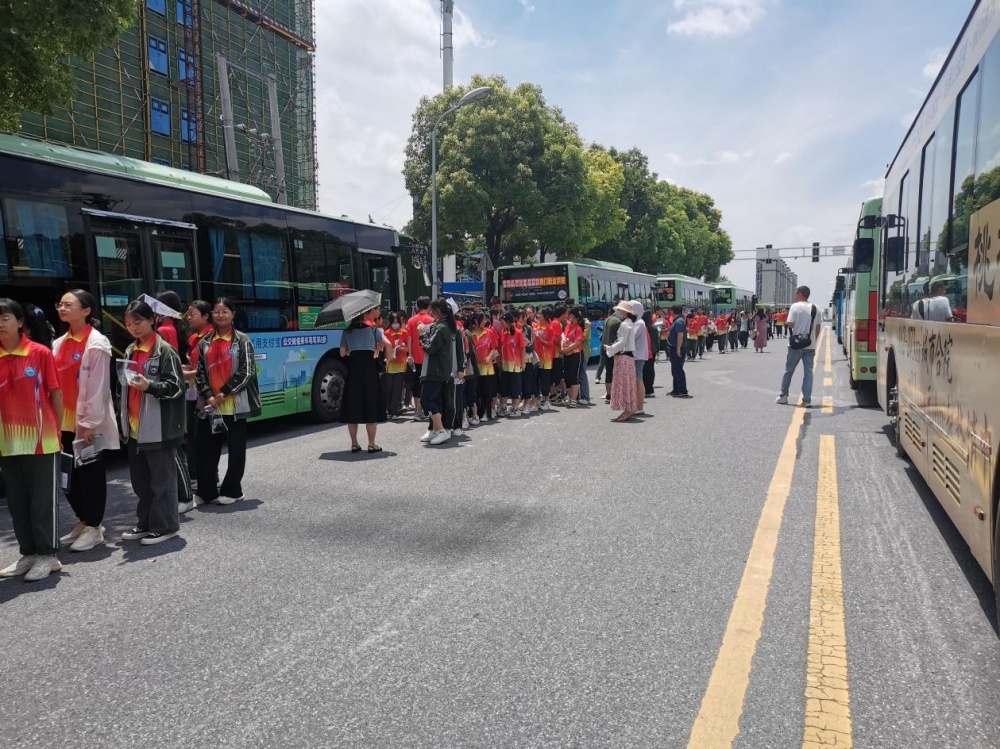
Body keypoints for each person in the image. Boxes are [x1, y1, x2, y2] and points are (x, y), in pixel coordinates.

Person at [0, 299, 64, 581]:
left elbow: (56, 393)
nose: (0, 324)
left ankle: (48, 555)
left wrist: (57, 431)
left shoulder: (39, 353)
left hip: (42, 440)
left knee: (42, 502)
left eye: (5, 318)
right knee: (17, 502)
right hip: (6, 442)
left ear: (20, 322)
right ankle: (28, 553)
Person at [53, 290, 118, 552]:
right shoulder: (59, 343)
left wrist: (89, 423)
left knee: (90, 474)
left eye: (68, 304)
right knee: (67, 474)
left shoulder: (97, 343)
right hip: (61, 421)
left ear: (86, 311)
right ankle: (83, 520)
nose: (62, 308)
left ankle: (94, 527)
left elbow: (99, 387)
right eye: (60, 304)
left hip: (86, 423)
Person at [119, 299, 185, 545]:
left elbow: (176, 387)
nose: (133, 327)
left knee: (162, 481)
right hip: (135, 426)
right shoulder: (130, 350)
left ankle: (166, 526)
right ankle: (145, 523)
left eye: (138, 322)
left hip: (159, 427)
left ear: (151, 320)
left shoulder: (165, 351)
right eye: (128, 324)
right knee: (141, 482)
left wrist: (150, 386)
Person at [194, 297, 260, 504]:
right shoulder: (205, 342)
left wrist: (223, 392)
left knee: (236, 451)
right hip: (211, 406)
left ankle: (232, 491)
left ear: (233, 315)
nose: (220, 315)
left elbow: (247, 371)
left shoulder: (242, 340)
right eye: (216, 311)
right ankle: (206, 491)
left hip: (235, 406)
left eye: (225, 311)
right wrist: (208, 395)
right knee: (207, 450)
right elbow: (200, 373)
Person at [180, 300, 214, 512]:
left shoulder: (211, 338)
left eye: (192, 314)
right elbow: (196, 366)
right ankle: (200, 480)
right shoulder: (195, 338)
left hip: (204, 394)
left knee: (202, 440)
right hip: (192, 391)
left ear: (205, 316)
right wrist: (185, 368)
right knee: (193, 438)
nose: (188, 317)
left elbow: (209, 369)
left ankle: (206, 482)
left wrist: (186, 373)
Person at [339, 306, 388, 452]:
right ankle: (372, 444)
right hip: (369, 370)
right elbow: (388, 344)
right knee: (371, 405)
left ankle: (354, 443)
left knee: (352, 406)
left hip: (354, 370)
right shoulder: (373, 330)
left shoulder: (347, 331)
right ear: (365, 314)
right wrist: (387, 360)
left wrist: (352, 348)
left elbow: (342, 353)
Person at [419, 299, 461, 445]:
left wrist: (421, 335)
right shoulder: (442, 326)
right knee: (434, 400)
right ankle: (435, 429)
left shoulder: (442, 328)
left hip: (435, 370)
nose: (430, 312)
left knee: (427, 400)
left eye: (432, 310)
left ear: (438, 310)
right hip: (437, 369)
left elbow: (430, 348)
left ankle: (441, 430)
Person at [776, 286, 822, 408]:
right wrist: (813, 341)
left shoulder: (795, 307)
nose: (795, 296)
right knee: (808, 372)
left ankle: (783, 396)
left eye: (796, 293)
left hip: (795, 345)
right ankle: (807, 400)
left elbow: (790, 323)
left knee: (789, 370)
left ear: (800, 294)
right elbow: (818, 327)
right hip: (810, 345)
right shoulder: (816, 308)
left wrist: (796, 324)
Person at [605, 301, 637, 422]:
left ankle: (627, 410)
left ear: (625, 312)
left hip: (623, 356)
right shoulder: (629, 323)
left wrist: (610, 349)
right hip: (628, 356)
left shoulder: (624, 324)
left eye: (620, 310)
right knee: (628, 383)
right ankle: (629, 408)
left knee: (623, 382)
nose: (618, 312)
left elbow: (622, 341)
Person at [406, 297, 433, 420]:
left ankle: (417, 411)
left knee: (417, 384)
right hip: (429, 357)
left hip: (415, 358)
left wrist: (410, 354)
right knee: (427, 384)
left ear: (417, 306)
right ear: (429, 307)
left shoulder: (411, 320)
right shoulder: (432, 320)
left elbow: (409, 338)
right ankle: (422, 410)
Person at [471, 312, 498, 421]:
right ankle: (477, 414)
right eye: (482, 319)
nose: (485, 321)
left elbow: (493, 347)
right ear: (476, 321)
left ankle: (487, 413)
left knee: (487, 392)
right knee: (476, 391)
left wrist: (489, 356)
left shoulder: (489, 332)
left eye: (486, 319)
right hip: (475, 367)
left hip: (487, 368)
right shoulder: (470, 334)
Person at [382, 311, 410, 418]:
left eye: (397, 322)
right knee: (389, 388)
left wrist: (401, 348)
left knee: (397, 388)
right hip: (389, 363)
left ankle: (394, 411)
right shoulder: (386, 333)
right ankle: (388, 409)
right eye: (393, 322)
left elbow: (408, 348)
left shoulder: (404, 332)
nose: (395, 324)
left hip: (401, 363)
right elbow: (383, 348)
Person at [499, 311, 525, 415]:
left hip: (515, 365)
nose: (501, 323)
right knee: (504, 387)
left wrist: (523, 363)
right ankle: (503, 407)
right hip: (505, 365)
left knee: (515, 387)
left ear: (509, 322)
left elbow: (522, 348)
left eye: (503, 322)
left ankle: (515, 408)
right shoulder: (502, 332)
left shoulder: (518, 333)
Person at [560, 307, 584, 408]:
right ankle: (570, 398)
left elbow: (577, 342)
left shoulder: (578, 328)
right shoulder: (568, 326)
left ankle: (574, 399)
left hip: (575, 354)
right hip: (567, 355)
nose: (568, 317)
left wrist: (566, 349)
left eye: (570, 315)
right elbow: (563, 337)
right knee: (567, 377)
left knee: (574, 377)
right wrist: (563, 347)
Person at [666, 304, 690, 398]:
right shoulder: (678, 320)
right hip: (675, 347)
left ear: (673, 311)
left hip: (677, 348)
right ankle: (676, 390)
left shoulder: (679, 321)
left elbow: (680, 335)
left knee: (678, 370)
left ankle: (683, 390)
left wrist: (678, 349)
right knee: (675, 370)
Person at [599, 308, 621, 401]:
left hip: (605, 349)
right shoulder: (618, 322)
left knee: (608, 371)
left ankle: (609, 394)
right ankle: (616, 393)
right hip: (614, 350)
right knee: (616, 372)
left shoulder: (608, 320)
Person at [631, 301, 648, 415]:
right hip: (635, 355)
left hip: (638, 355)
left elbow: (632, 337)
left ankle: (640, 406)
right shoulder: (636, 322)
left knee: (638, 380)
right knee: (636, 380)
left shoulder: (639, 323)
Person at [642, 309, 657, 397]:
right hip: (653, 350)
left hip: (645, 350)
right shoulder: (653, 327)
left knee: (644, 370)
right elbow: (656, 340)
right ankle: (650, 387)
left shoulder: (643, 327)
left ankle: (646, 388)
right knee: (650, 369)